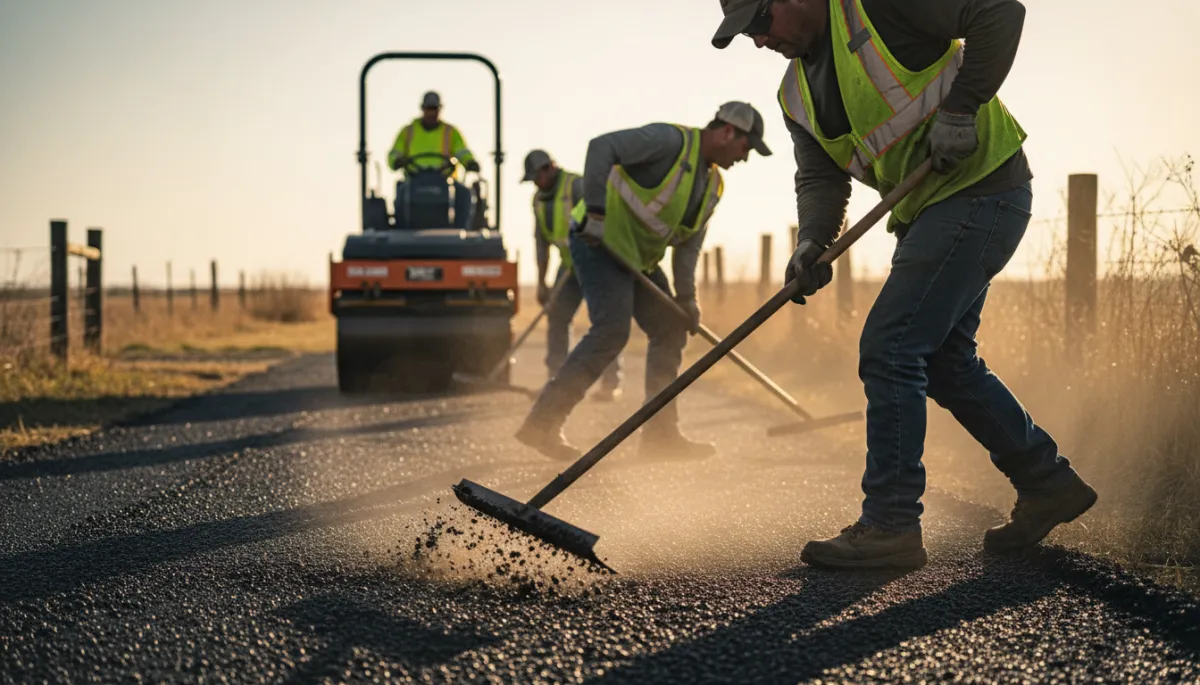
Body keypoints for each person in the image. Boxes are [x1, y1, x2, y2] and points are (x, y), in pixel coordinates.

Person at [712, 0, 1097, 569]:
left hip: (981, 189)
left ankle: (891, 524)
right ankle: (1048, 484)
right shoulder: (793, 95)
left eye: (759, 24)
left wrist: (961, 110)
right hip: (929, 213)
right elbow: (819, 174)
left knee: (892, 346)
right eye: (747, 35)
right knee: (944, 361)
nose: (759, 42)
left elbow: (1001, 14)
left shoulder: (877, 9)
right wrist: (812, 242)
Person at [514, 102, 772, 461]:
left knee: (671, 327)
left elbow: (689, 246)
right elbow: (601, 147)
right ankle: (542, 423)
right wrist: (597, 212)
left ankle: (660, 436)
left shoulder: (713, 185)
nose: (744, 158)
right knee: (612, 330)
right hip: (597, 241)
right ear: (729, 132)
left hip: (639, 257)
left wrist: (686, 299)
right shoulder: (669, 141)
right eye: (747, 148)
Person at [522, 149, 624, 401]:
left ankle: (610, 384)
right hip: (568, 266)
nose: (536, 182)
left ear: (549, 168)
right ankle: (555, 382)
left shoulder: (577, 186)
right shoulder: (538, 200)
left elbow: (600, 220)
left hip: (597, 262)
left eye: (537, 176)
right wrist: (542, 283)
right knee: (557, 317)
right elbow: (541, 243)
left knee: (604, 321)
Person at [387, 91, 480, 179]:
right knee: (401, 191)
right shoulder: (407, 132)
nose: (431, 113)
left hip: (445, 180)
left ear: (439, 109)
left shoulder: (450, 132)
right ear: (422, 108)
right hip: (413, 180)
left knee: (464, 193)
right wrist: (396, 161)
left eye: (434, 109)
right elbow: (395, 153)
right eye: (429, 109)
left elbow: (462, 152)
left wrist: (469, 162)